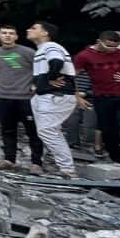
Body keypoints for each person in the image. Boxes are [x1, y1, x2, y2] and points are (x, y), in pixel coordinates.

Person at [73, 31, 120, 163]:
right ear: (99, 42)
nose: (112, 50)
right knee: (108, 128)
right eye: (108, 46)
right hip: (102, 95)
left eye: (115, 47)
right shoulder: (84, 56)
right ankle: (116, 156)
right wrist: (77, 95)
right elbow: (73, 76)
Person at [26, 21, 80, 178]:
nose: (29, 29)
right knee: (50, 130)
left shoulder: (51, 47)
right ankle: (65, 167)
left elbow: (56, 61)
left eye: (34, 28)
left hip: (56, 95)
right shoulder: (43, 49)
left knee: (47, 130)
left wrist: (51, 78)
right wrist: (40, 84)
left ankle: (68, 170)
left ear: (45, 33)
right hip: (47, 95)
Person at [0, 25, 44, 174]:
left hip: (26, 98)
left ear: (16, 37)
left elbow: (42, 68)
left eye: (11, 33)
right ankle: (9, 160)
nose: (7, 36)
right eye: (4, 33)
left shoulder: (28, 52)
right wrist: (0, 82)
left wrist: (35, 84)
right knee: (7, 130)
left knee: (33, 131)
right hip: (5, 97)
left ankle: (36, 163)